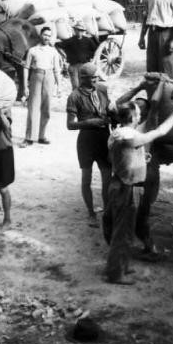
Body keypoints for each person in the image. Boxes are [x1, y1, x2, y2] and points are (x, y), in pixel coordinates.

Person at [104, 98, 173, 285]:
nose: (140, 116)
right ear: (132, 117)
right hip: (125, 187)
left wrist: (138, 157)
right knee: (122, 233)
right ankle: (115, 274)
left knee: (127, 230)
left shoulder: (117, 133)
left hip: (120, 183)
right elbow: (160, 131)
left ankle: (122, 265)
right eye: (138, 113)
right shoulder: (130, 136)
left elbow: (117, 156)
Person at [66, 62, 114, 228]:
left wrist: (114, 114)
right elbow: (70, 125)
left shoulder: (102, 89)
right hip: (86, 142)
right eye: (91, 78)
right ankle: (91, 213)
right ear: (82, 78)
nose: (94, 81)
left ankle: (107, 211)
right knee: (86, 179)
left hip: (104, 139)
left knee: (107, 179)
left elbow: (109, 109)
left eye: (96, 77)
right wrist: (89, 122)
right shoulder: (74, 96)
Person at [20, 27, 61, 147]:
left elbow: (57, 70)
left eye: (49, 35)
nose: (46, 37)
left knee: (46, 109)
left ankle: (41, 136)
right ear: (40, 35)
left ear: (51, 37)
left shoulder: (54, 52)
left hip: (49, 78)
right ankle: (29, 138)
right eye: (45, 35)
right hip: (36, 77)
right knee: (33, 107)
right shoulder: (33, 50)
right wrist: (25, 87)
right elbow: (26, 68)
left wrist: (59, 86)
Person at [55, 21, 100, 91]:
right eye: (78, 30)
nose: (79, 32)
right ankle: (76, 100)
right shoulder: (70, 40)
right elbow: (57, 45)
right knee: (75, 86)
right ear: (75, 30)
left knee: (85, 86)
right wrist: (63, 55)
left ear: (84, 32)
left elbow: (97, 49)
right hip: (73, 67)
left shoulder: (88, 40)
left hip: (84, 66)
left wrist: (93, 61)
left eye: (81, 31)